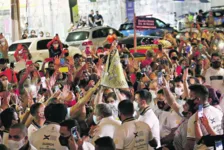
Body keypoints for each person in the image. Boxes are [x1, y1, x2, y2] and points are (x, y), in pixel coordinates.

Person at [185, 84, 223, 150]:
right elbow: (217, 139)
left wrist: (196, 123)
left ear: (197, 99)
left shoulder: (194, 118)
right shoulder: (218, 111)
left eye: (191, 96)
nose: (189, 99)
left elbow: (190, 145)